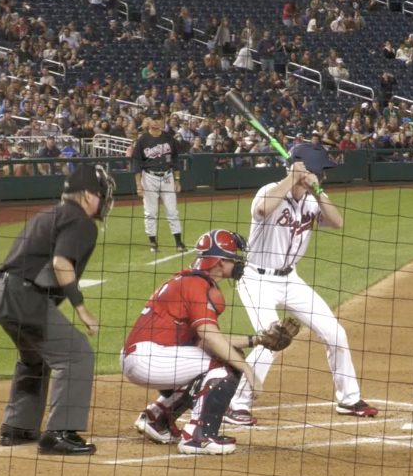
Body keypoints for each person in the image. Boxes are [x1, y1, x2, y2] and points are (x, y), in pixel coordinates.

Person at [224, 145, 378, 425]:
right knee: (270, 338)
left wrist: (316, 190)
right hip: (257, 279)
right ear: (308, 169)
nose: (325, 177)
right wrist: (291, 178)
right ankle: (237, 404)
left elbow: (337, 222)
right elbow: (261, 209)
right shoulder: (269, 191)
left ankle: (349, 399)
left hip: (291, 279)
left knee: (335, 333)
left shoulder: (313, 198)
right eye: (322, 171)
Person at [0, 164, 116, 455]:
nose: (104, 201)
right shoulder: (80, 221)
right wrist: (81, 308)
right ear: (90, 196)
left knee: (34, 360)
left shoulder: (50, 212)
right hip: (23, 296)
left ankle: (17, 428)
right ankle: (60, 433)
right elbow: (61, 263)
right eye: (102, 195)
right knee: (76, 355)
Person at [121, 230, 260, 455]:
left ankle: (157, 418)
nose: (237, 262)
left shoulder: (189, 279)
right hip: (151, 358)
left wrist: (256, 339)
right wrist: (247, 370)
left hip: (144, 356)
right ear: (220, 261)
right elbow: (211, 338)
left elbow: (208, 340)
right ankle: (198, 437)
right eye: (233, 257)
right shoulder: (197, 285)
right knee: (226, 364)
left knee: (215, 359)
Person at [131, 113, 185, 253]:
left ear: (162, 121)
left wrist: (177, 179)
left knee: (172, 211)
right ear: (149, 121)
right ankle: (153, 243)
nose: (155, 122)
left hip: (167, 177)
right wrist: (138, 184)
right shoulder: (142, 140)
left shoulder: (168, 137)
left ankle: (179, 243)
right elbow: (136, 163)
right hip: (149, 178)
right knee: (150, 212)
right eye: (153, 119)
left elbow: (175, 160)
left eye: (158, 119)